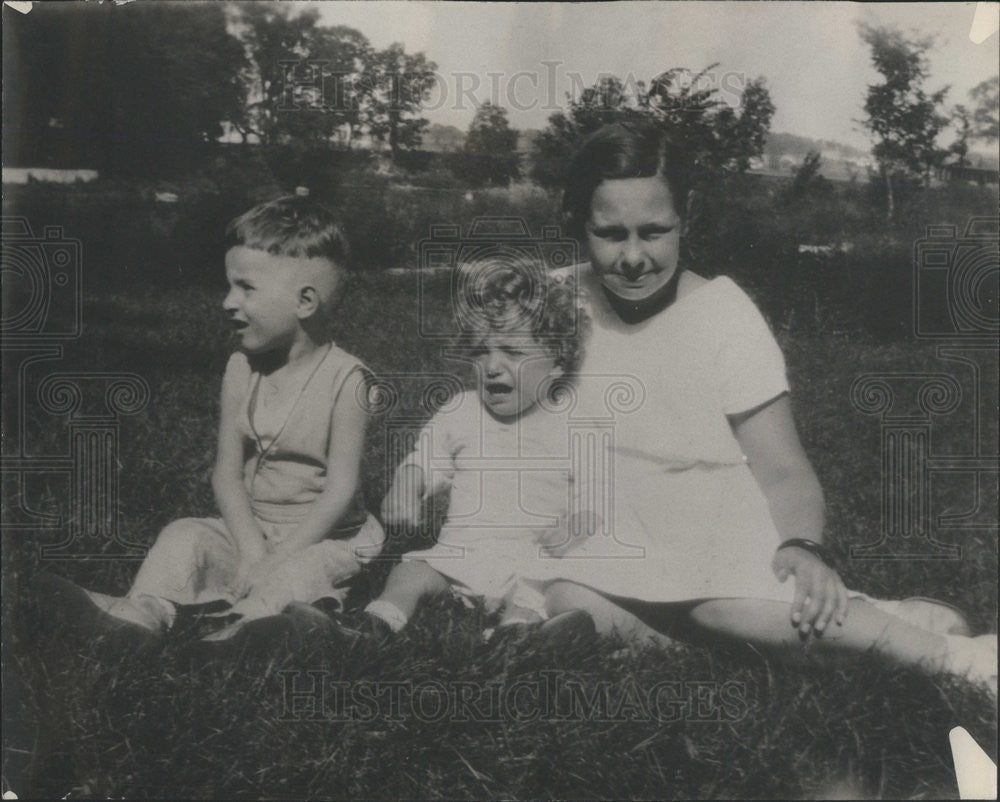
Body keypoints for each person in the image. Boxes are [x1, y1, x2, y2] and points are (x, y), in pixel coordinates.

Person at [520, 119, 996, 695]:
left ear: (685, 219)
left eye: (654, 231)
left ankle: (954, 657)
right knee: (570, 600)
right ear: (579, 224)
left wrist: (802, 547)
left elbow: (784, 468)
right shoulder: (554, 303)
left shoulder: (721, 313)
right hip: (602, 529)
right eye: (610, 234)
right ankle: (872, 621)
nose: (633, 257)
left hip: (708, 530)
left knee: (718, 610)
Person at [43, 194, 384, 642]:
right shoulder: (241, 368)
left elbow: (340, 490)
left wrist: (277, 559)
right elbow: (226, 473)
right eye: (229, 286)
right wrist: (250, 550)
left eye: (245, 288)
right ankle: (140, 615)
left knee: (303, 570)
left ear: (304, 302)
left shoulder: (349, 381)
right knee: (185, 535)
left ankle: (246, 631)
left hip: (323, 537)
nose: (227, 302)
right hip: (252, 528)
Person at [328, 256, 596, 640]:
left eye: (513, 352)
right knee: (409, 573)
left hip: (532, 561)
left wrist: (577, 525)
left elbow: (598, 493)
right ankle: (375, 627)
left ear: (558, 360)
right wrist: (406, 487)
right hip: (458, 558)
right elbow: (425, 460)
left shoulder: (574, 423)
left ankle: (516, 638)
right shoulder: (462, 410)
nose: (492, 366)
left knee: (540, 591)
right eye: (481, 351)